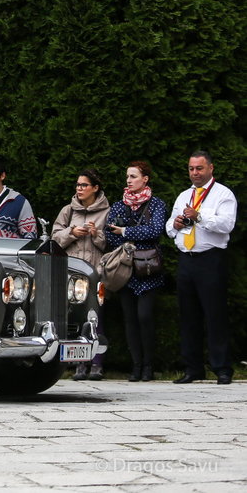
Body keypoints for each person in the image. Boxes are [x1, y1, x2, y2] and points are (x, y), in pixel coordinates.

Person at [166, 151, 238, 385]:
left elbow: (227, 225)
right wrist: (176, 224)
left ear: (210, 168)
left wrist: (200, 216)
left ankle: (222, 368)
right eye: (191, 169)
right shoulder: (184, 195)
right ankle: (193, 368)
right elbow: (170, 227)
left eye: (199, 168)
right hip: (187, 259)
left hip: (210, 259)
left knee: (214, 314)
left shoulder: (222, 194)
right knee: (188, 316)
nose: (195, 173)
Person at [104, 160, 167, 382]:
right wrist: (127, 234)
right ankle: (137, 366)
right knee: (130, 319)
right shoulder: (119, 205)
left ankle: (149, 365)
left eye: (133, 176)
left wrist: (126, 231)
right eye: (127, 177)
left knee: (145, 316)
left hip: (148, 268)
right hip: (124, 268)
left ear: (145, 179)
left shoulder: (156, 204)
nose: (128, 181)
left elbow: (156, 230)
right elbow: (109, 234)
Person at [52, 168, 110, 380]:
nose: (80, 189)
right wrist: (72, 233)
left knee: (95, 318)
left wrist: (96, 234)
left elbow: (109, 245)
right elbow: (54, 238)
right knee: (73, 317)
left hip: (95, 272)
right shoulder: (68, 211)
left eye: (84, 185)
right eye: (78, 185)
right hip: (71, 274)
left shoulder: (107, 211)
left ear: (95, 188)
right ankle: (78, 364)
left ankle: (97, 364)